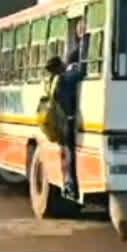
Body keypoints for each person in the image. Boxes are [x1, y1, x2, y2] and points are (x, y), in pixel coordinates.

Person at [45, 51, 85, 201]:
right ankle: (71, 186)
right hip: (67, 121)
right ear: (61, 65)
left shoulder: (53, 80)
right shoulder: (67, 78)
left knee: (64, 155)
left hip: (58, 122)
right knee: (69, 156)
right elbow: (81, 74)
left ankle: (67, 186)